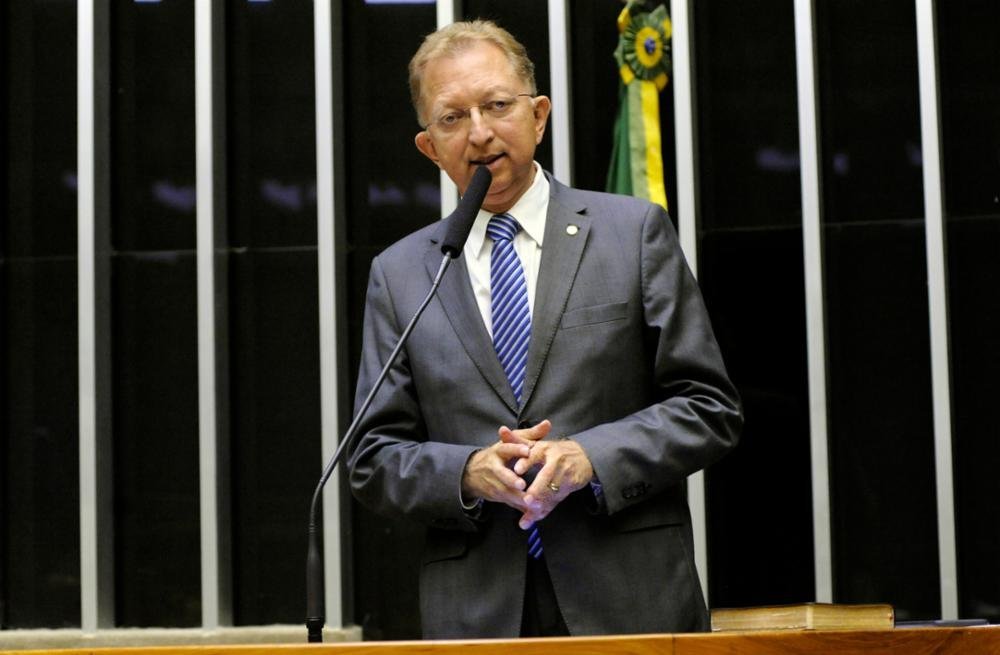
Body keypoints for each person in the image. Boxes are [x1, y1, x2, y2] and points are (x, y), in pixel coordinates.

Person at [347, 20, 742, 639]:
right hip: (477, 615)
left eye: (498, 106)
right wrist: (466, 470)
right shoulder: (401, 273)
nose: (480, 133)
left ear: (538, 114)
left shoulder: (631, 233)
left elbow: (709, 407)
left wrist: (592, 456)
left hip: (628, 599)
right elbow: (373, 458)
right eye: (452, 118)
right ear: (428, 146)